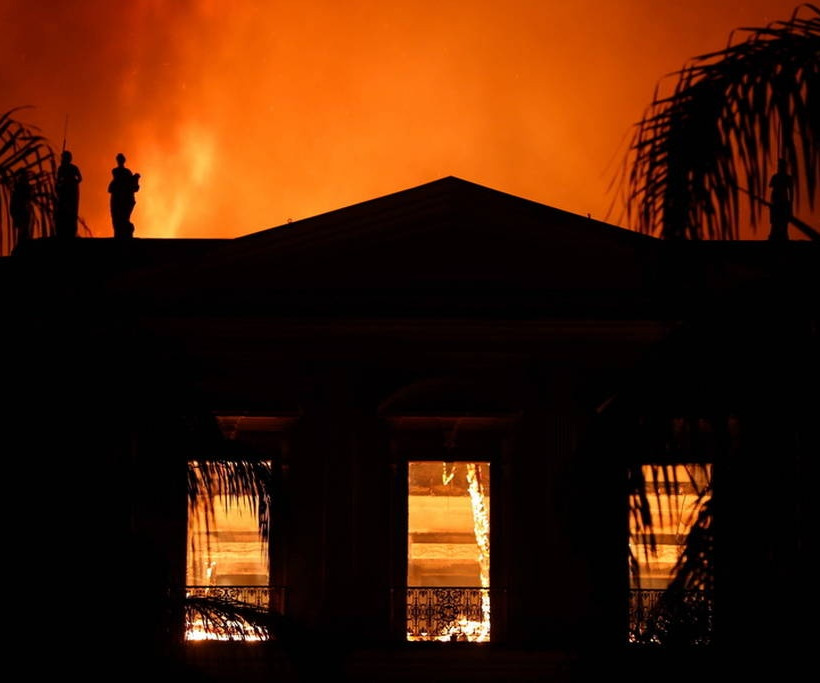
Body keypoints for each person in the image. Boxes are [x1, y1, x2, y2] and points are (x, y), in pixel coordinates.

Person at [108, 152, 140, 239]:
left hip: (123, 198)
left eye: (121, 159)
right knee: (117, 217)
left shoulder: (125, 172)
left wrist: (136, 178)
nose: (120, 161)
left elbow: (132, 185)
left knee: (122, 218)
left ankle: (122, 233)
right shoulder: (116, 171)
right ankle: (119, 234)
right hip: (118, 198)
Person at [55, 150, 82, 238]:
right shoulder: (63, 168)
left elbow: (80, 178)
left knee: (71, 211)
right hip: (66, 191)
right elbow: (79, 179)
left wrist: (71, 182)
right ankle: (65, 231)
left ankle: (70, 231)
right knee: (65, 210)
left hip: (70, 191)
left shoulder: (65, 168)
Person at [768, 157, 793, 241]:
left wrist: (790, 205)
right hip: (776, 202)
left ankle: (782, 238)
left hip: (783, 202)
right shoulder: (775, 177)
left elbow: (791, 192)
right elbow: (771, 186)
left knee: (783, 224)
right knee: (775, 224)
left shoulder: (787, 178)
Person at [9, 168, 32, 244]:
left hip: (22, 210)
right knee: (23, 228)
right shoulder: (20, 187)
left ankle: (23, 243)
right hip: (20, 210)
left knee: (23, 229)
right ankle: (22, 244)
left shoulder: (20, 187)